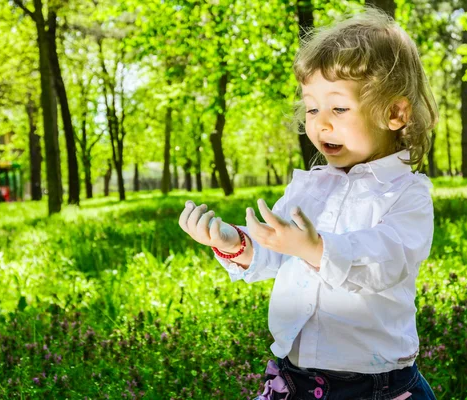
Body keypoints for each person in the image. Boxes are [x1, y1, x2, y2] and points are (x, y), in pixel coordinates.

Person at [178, 7, 438, 400]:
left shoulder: (406, 193)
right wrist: (236, 243)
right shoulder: (309, 188)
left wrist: (316, 249)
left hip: (371, 386)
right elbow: (276, 250)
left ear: (394, 113)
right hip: (294, 376)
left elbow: (388, 259)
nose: (321, 123)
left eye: (338, 108)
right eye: (313, 108)